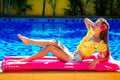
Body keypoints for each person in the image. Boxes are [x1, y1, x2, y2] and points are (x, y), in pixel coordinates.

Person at [17, 18, 110, 69]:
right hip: (72, 53)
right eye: (95, 23)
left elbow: (107, 56)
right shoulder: (91, 32)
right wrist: (95, 25)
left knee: (50, 47)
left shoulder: (100, 43)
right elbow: (86, 20)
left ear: (102, 29)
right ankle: (28, 41)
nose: (94, 25)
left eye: (97, 24)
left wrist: (97, 60)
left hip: (75, 59)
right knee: (54, 42)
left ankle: (28, 59)